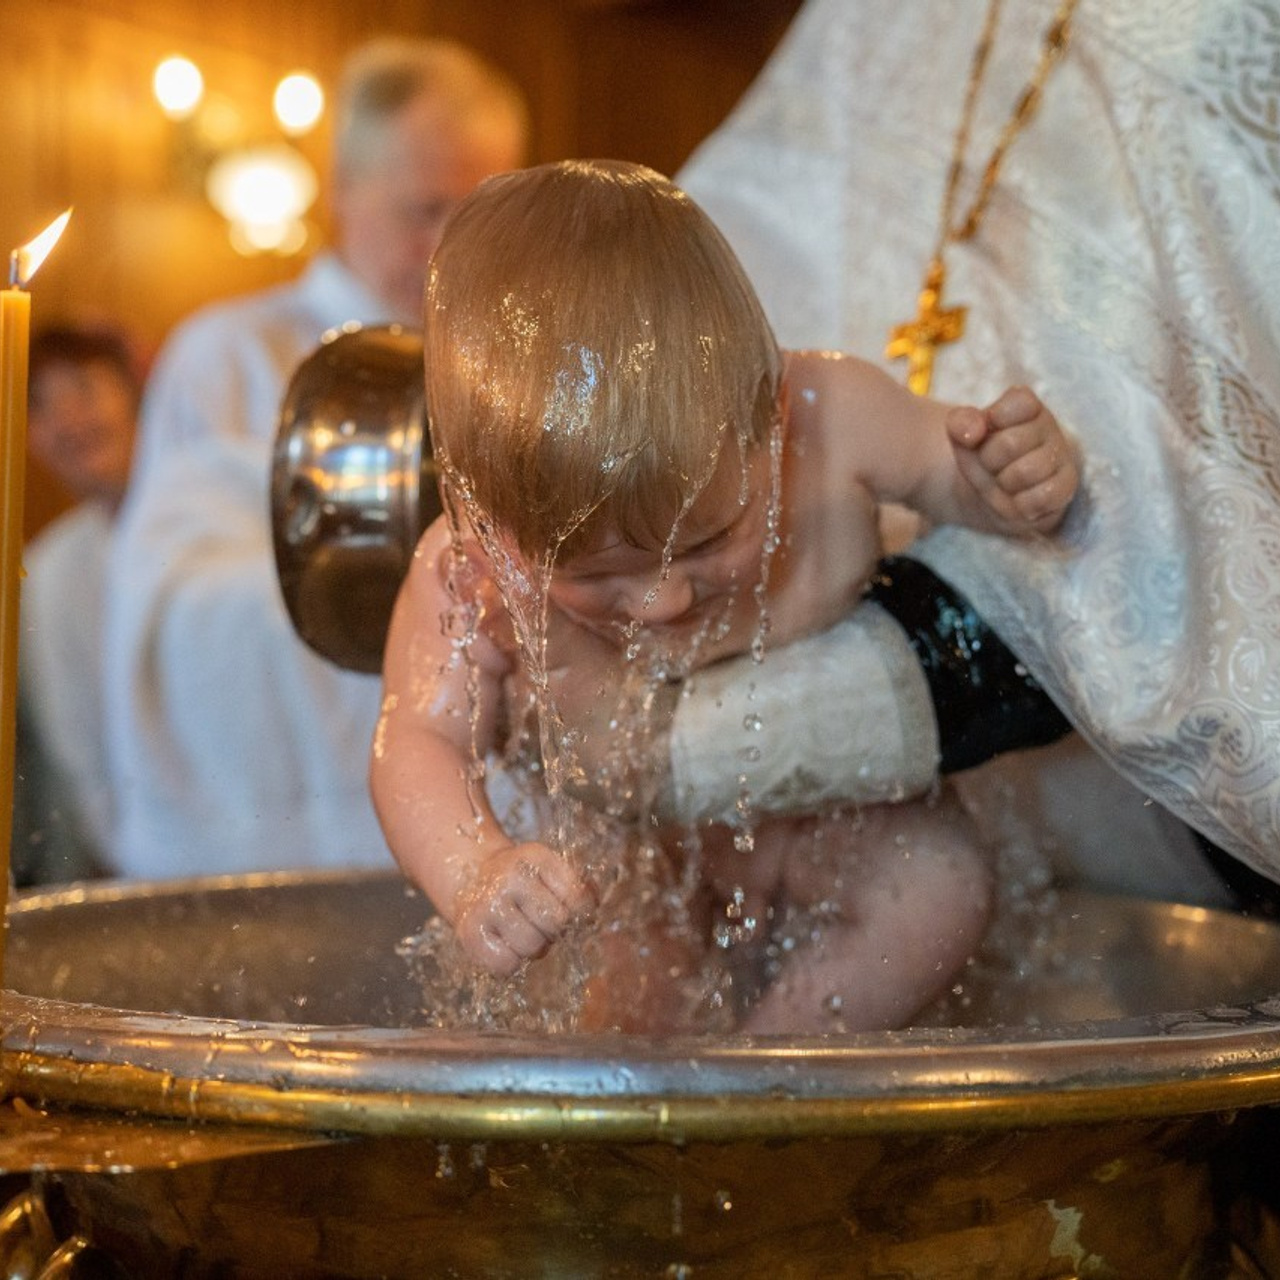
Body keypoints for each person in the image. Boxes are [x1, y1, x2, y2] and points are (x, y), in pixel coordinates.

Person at [370, 159, 1081, 1034]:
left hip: (821, 822)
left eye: (709, 540)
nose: (663, 600)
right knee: (623, 996)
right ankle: (661, 1104)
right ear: (486, 521)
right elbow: (417, 739)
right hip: (631, 854)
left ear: (772, 417)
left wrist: (1012, 481)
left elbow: (955, 473)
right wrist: (475, 869)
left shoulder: (831, 419)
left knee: (938, 887)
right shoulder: (472, 573)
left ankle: (771, 1066)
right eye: (593, 577)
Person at [648, 0, 1280, 909]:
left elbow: (1187, 493)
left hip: (1135, 829)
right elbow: (725, 253)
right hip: (804, 736)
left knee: (933, 896)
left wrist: (1022, 488)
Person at [102, 38, 530, 879]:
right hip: (289, 837)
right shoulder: (232, 356)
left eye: (482, 216)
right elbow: (169, 607)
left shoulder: (519, 367)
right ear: (341, 190)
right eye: (424, 210)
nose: (452, 247)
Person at [14, 324, 143, 884]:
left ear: (135, 394)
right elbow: (75, 742)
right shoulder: (50, 569)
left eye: (84, 390)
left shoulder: (219, 531)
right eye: (40, 405)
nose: (67, 421)